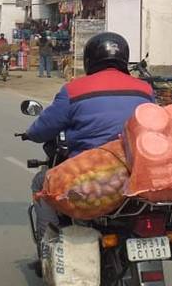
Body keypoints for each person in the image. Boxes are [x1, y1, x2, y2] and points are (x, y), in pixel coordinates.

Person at [22, 32, 154, 249]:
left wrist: (31, 133)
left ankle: (49, 248)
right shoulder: (145, 89)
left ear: (89, 60)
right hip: (138, 171)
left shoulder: (74, 89)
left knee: (41, 182)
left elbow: (43, 129)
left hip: (90, 174)